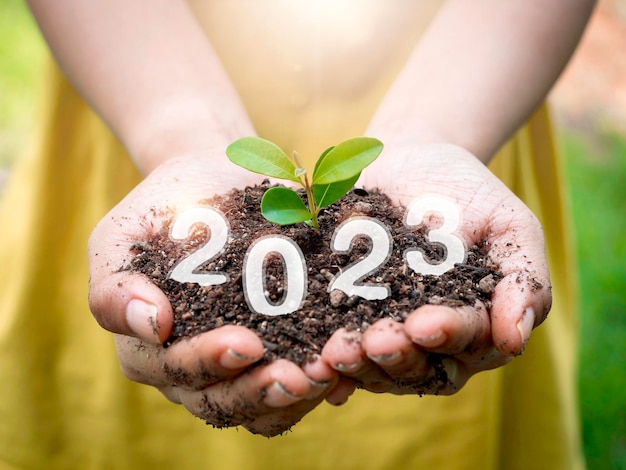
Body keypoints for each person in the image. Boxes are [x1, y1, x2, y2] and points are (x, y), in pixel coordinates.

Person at [0, 1, 594, 468]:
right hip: (132, 75)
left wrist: (440, 132)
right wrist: (179, 130)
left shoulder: (429, 212)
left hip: (476, 80)